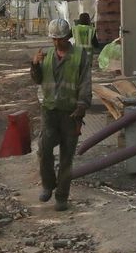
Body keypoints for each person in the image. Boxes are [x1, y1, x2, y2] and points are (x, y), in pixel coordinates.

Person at [29, 17, 92, 210]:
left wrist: (82, 105)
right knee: (44, 149)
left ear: (68, 37)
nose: (57, 42)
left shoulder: (80, 56)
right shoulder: (46, 56)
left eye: (61, 39)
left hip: (71, 113)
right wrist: (35, 65)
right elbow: (37, 80)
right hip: (50, 111)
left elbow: (85, 83)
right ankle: (48, 185)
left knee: (67, 157)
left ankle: (62, 196)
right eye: (54, 39)